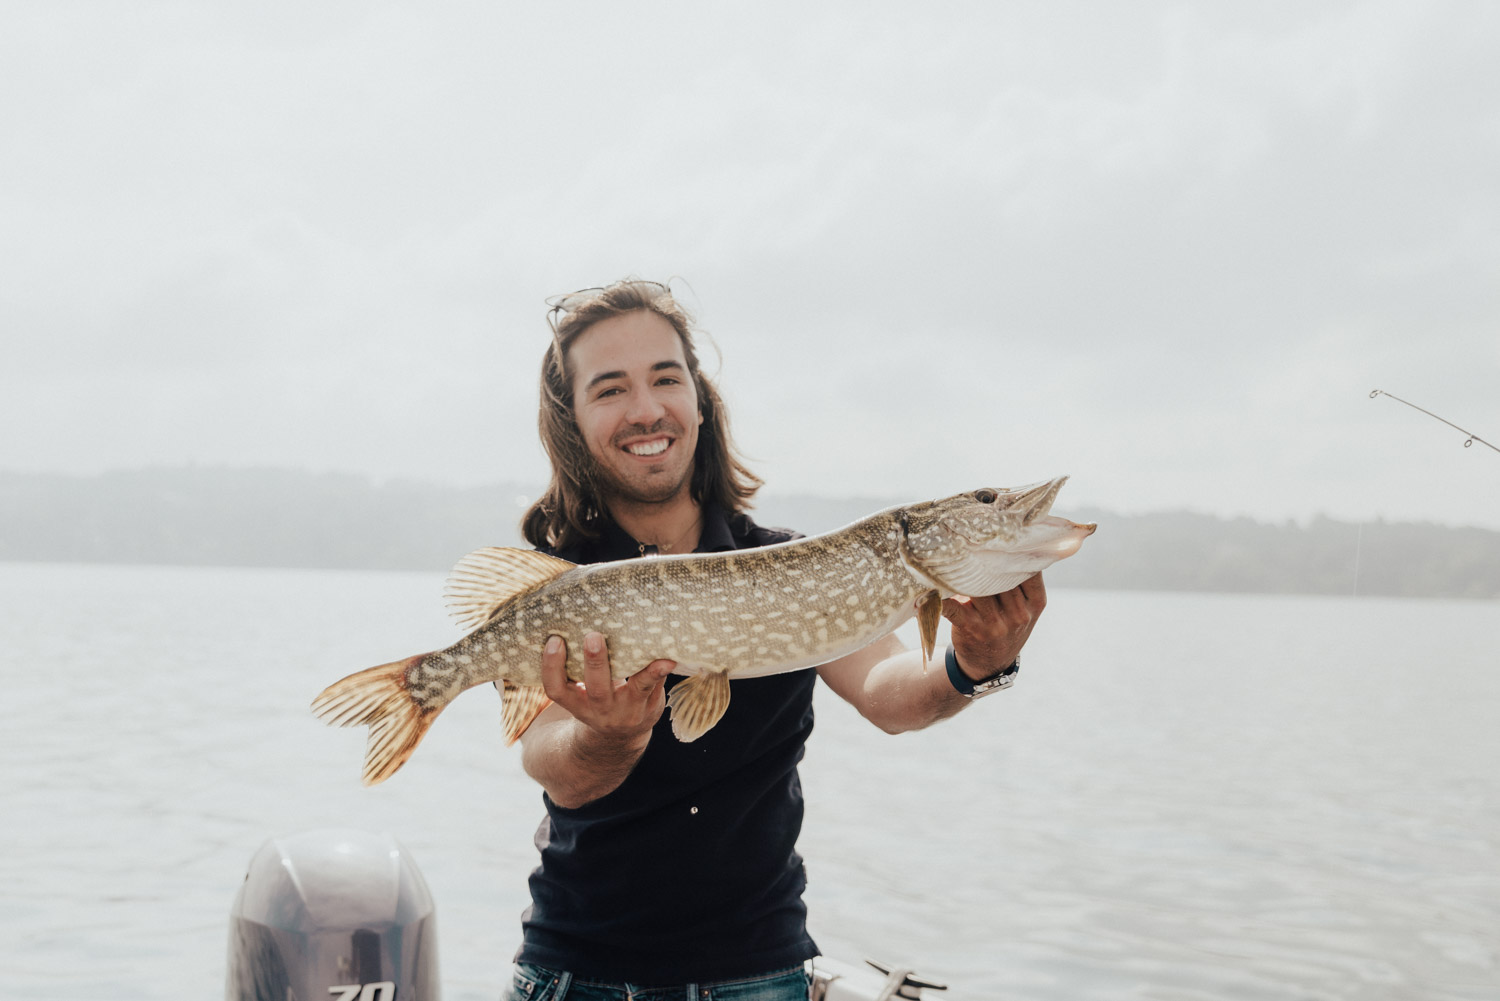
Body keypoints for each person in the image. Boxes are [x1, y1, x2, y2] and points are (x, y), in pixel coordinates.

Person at [503, 279, 1046, 1001]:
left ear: (699, 399)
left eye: (667, 378)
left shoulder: (793, 561)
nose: (646, 409)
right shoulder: (561, 583)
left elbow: (890, 694)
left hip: (757, 971)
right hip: (576, 974)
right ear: (572, 419)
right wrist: (611, 738)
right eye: (610, 389)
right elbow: (551, 763)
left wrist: (975, 664)